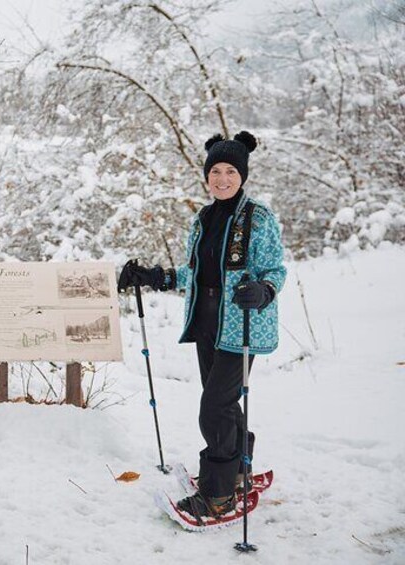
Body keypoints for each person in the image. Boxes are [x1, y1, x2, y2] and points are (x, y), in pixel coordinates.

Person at [117, 131, 286, 524]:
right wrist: (154, 276)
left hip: (243, 325)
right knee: (223, 404)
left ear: (242, 175)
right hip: (208, 323)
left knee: (214, 407)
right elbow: (195, 274)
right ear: (206, 176)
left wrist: (264, 290)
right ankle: (238, 469)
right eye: (215, 171)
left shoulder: (258, 217)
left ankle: (218, 493)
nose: (222, 178)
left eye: (230, 171)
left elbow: (275, 270)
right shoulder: (203, 217)